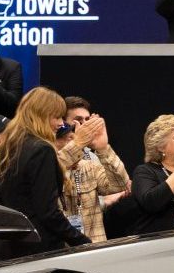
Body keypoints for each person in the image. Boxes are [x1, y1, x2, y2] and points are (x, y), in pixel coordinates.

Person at [0, 88, 89, 265]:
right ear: (40, 115)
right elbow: (47, 212)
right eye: (56, 117)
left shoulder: (8, 147)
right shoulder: (41, 150)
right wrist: (82, 242)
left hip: (11, 247)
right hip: (39, 251)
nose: (61, 124)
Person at [55, 97, 129, 242]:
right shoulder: (46, 159)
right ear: (61, 124)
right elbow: (51, 170)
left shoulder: (88, 164)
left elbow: (120, 184)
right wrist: (76, 144)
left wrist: (103, 148)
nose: (84, 126)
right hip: (59, 251)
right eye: (78, 120)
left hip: (93, 249)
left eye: (87, 120)